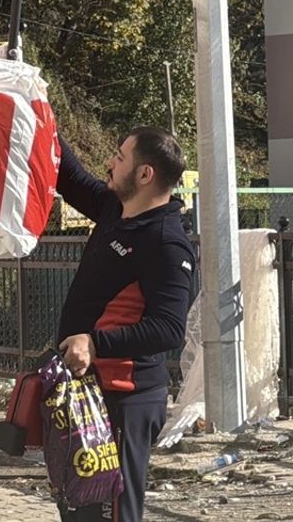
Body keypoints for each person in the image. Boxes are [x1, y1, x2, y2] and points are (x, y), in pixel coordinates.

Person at [54, 127, 196, 522]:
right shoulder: (114, 209)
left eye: (119, 157)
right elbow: (69, 176)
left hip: (126, 400)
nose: (110, 163)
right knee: (79, 511)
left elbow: (168, 329)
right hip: (87, 393)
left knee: (112, 514)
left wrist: (94, 343)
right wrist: (38, 108)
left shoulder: (166, 243)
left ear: (145, 174)